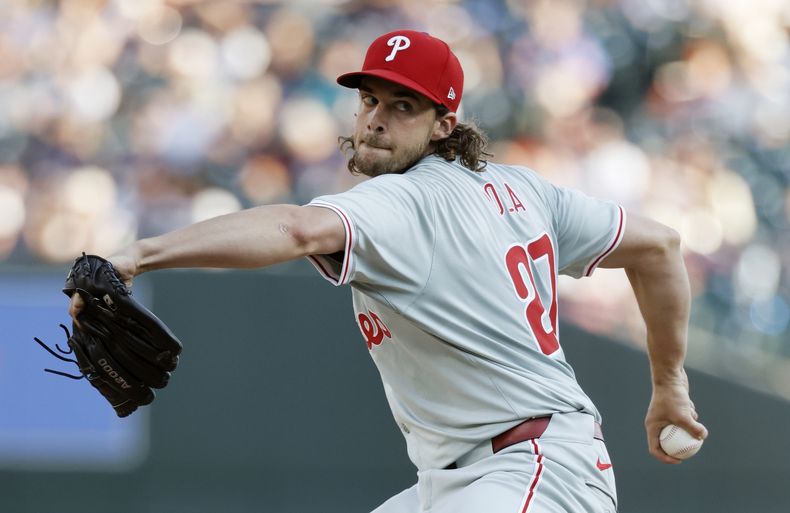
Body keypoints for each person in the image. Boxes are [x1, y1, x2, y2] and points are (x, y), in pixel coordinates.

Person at [69, 30, 707, 513]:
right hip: (466, 479)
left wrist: (138, 255)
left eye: (404, 106)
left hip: (530, 472)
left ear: (443, 125)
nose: (376, 117)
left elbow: (295, 228)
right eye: (369, 99)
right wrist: (669, 384)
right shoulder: (524, 190)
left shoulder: (406, 200)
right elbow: (658, 247)